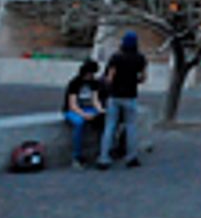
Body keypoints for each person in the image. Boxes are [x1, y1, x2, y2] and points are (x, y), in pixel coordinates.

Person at [96, 30, 147, 170]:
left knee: (110, 127)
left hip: (115, 96)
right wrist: (134, 80)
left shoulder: (116, 58)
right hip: (131, 96)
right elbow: (143, 78)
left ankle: (104, 158)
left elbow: (109, 78)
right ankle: (131, 157)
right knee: (131, 127)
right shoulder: (140, 58)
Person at [63, 58, 105, 168]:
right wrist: (84, 114)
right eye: (90, 73)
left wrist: (100, 110)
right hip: (73, 110)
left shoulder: (94, 83)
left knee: (102, 121)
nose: (91, 76)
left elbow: (95, 100)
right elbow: (72, 104)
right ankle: (77, 156)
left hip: (88, 108)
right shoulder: (75, 83)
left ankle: (101, 152)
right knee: (79, 123)